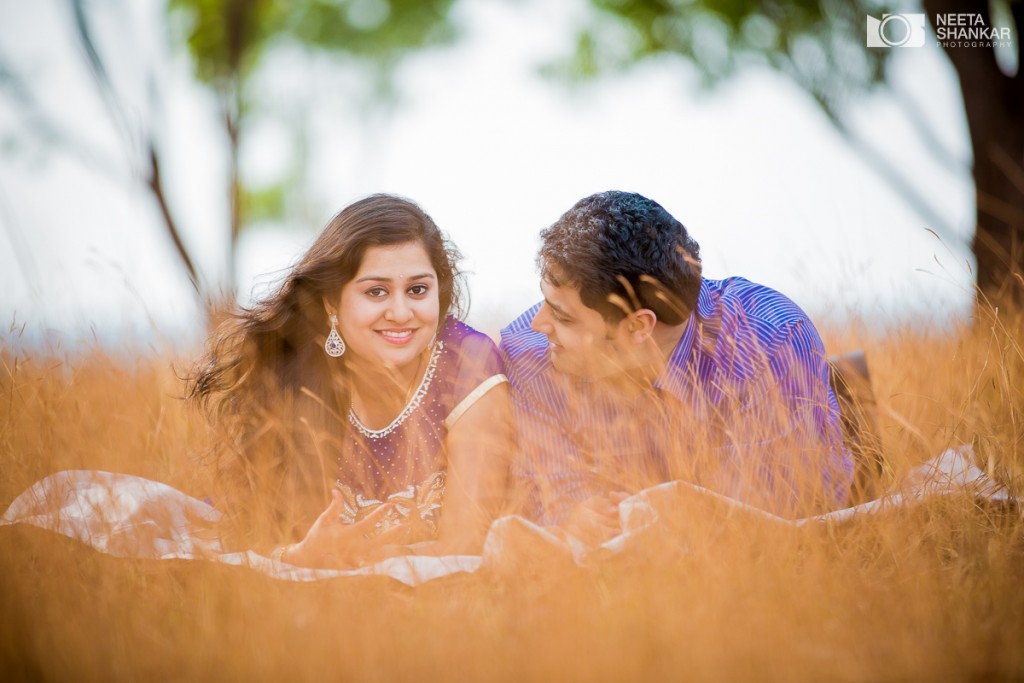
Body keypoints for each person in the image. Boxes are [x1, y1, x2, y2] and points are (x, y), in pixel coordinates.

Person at [500, 191, 853, 543]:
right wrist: (577, 516)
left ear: (638, 327)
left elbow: (774, 512)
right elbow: (549, 494)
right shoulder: (527, 355)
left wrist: (663, 517)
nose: (538, 324)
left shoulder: (770, 340)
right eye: (545, 303)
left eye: (562, 316)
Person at [189, 194, 511, 568]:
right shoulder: (299, 373)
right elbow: (261, 535)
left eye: (418, 290)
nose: (401, 312)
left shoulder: (467, 362)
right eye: (376, 291)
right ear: (331, 303)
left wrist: (346, 564)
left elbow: (464, 549)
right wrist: (300, 557)